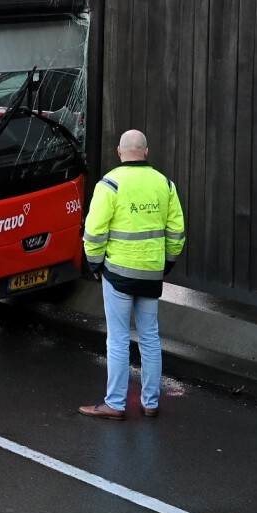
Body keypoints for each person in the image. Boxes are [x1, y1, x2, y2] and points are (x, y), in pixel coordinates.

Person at [79, 129, 187, 420]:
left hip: (117, 274)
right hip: (151, 273)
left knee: (118, 339)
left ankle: (115, 403)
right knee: (150, 337)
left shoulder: (110, 184)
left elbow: (94, 232)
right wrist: (166, 264)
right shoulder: (165, 184)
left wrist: (95, 265)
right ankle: (150, 402)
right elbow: (176, 232)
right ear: (146, 152)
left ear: (119, 151)